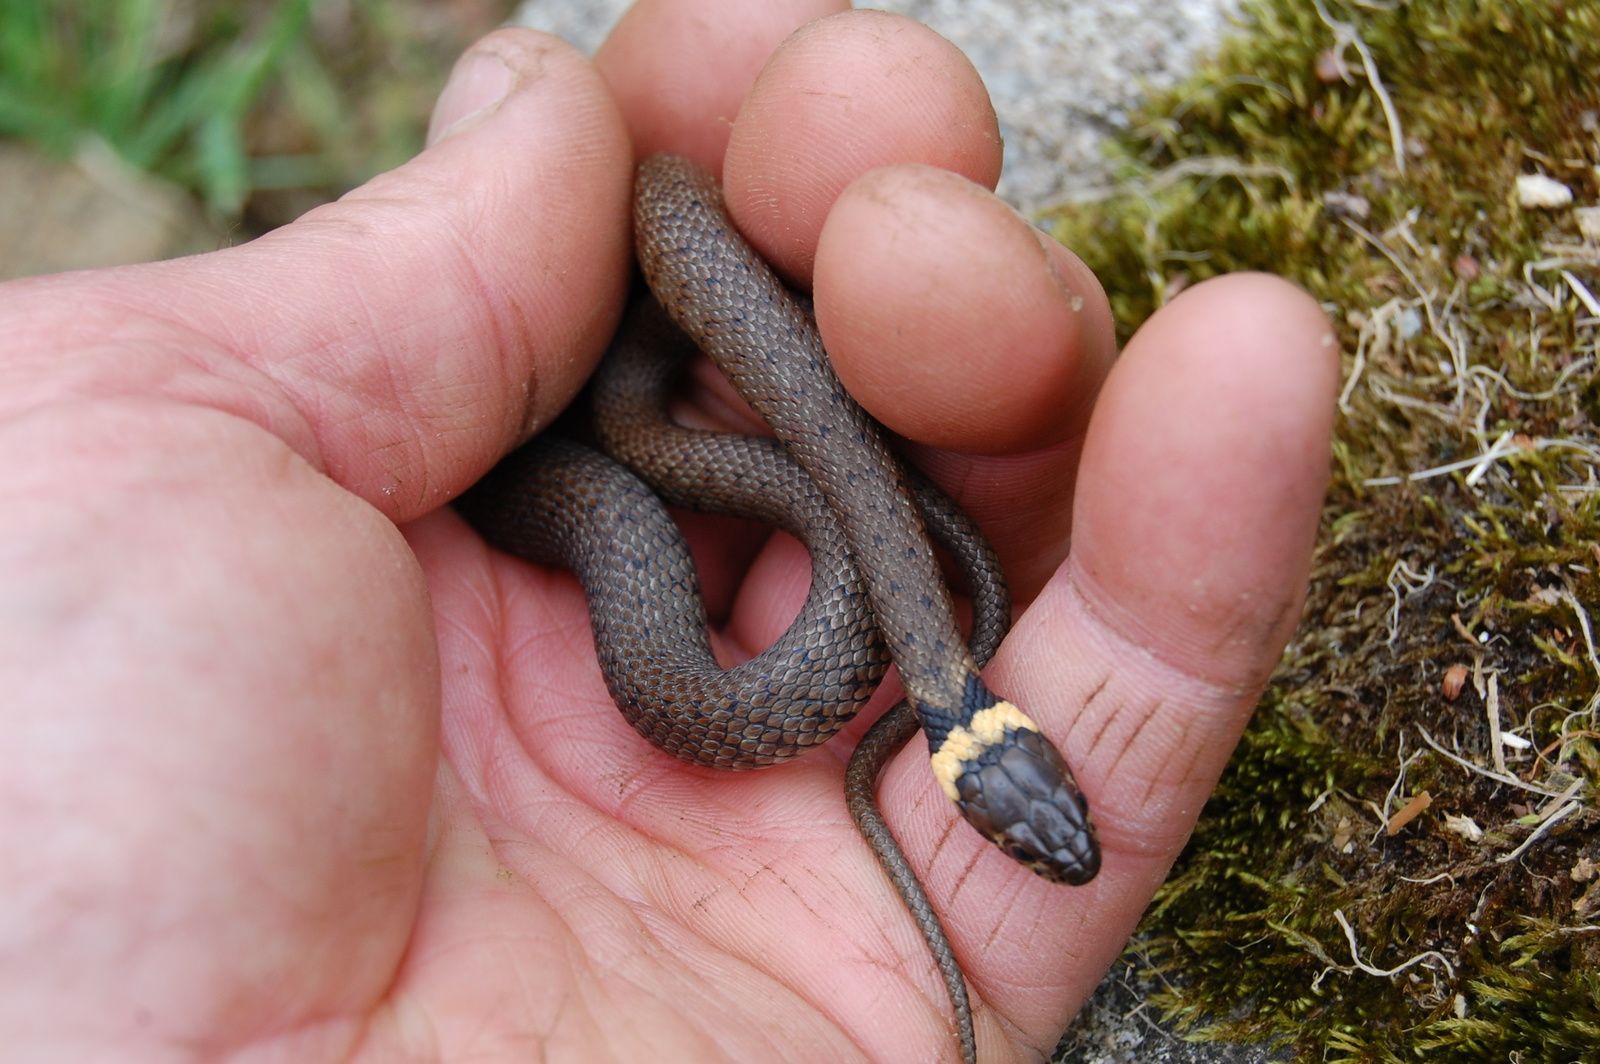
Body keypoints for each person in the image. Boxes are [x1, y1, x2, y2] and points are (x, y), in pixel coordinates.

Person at [0, 1, 1337, 1059]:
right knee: (751, 403)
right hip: (594, 446)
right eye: (1039, 827)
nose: (1046, 842)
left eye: (1022, 834)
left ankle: (676, 423)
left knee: (777, 384)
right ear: (995, 748)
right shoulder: (871, 651)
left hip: (696, 436)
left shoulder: (903, 665)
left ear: (981, 770)